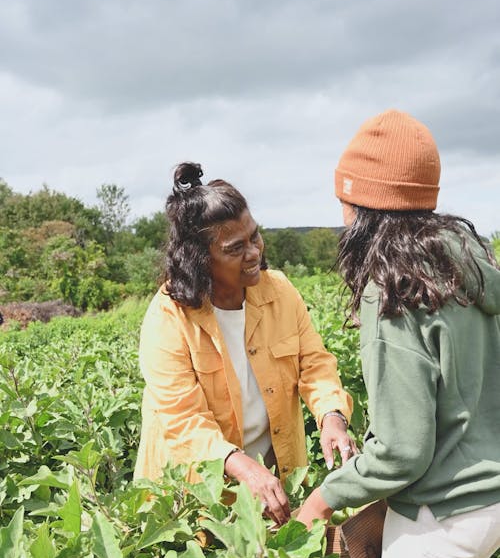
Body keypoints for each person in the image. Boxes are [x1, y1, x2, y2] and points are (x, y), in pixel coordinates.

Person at [296, 110, 500, 558]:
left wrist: (326, 494)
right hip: (491, 505)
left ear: (363, 206)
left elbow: (406, 448)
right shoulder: (467, 262)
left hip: (441, 514)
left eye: (344, 201)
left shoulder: (393, 289)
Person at [134, 161, 355, 526]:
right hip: (196, 494)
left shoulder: (279, 291)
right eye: (235, 248)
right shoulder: (168, 318)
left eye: (255, 236)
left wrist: (331, 415)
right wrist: (242, 468)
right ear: (201, 259)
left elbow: (314, 364)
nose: (253, 252)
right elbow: (183, 421)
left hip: (272, 472)